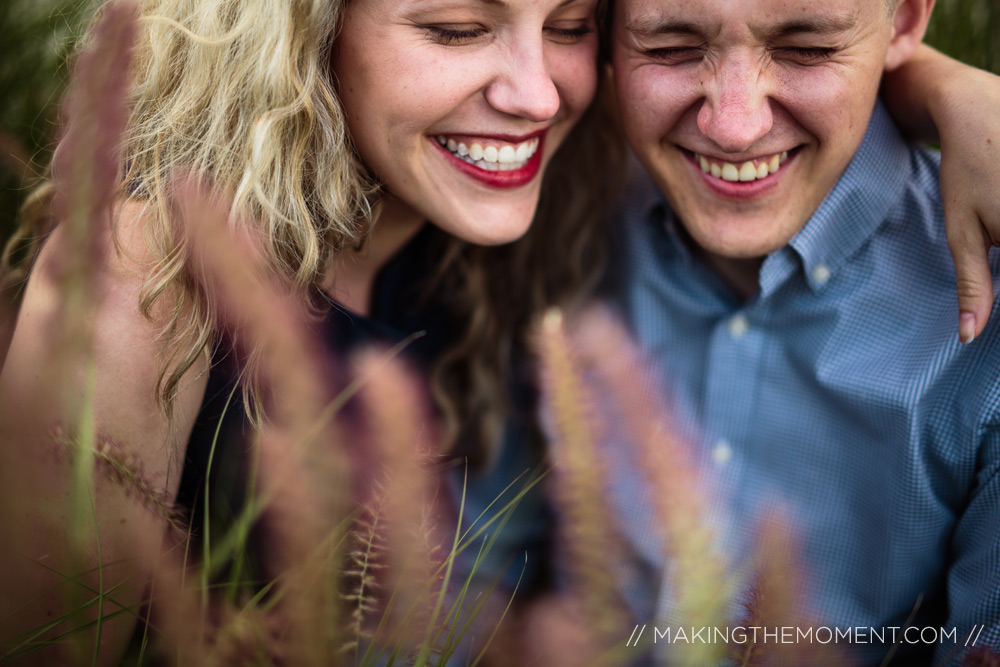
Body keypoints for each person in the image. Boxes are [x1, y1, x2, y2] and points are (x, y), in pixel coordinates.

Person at [0, 0, 997, 664]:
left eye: (566, 23)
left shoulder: (543, 211)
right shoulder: (145, 275)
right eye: (455, 26)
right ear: (307, 29)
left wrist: (950, 92)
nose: (535, 92)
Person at [602, 0, 1000, 663]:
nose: (733, 127)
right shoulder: (548, 214)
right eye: (671, 46)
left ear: (904, 21)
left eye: (807, 48)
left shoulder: (985, 327)